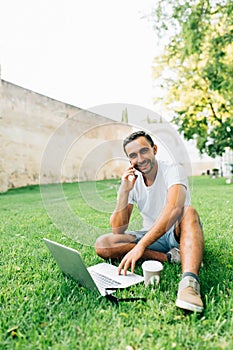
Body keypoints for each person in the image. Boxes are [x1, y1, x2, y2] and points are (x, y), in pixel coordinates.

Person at [95, 130, 204, 312]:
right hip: (153, 237)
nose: (140, 159)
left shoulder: (173, 170)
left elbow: (173, 209)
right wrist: (124, 192)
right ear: (129, 160)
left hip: (177, 232)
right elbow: (117, 230)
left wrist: (140, 246)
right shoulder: (133, 181)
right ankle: (171, 257)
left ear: (154, 149)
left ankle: (189, 285)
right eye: (133, 156)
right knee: (103, 244)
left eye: (144, 151)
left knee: (188, 212)